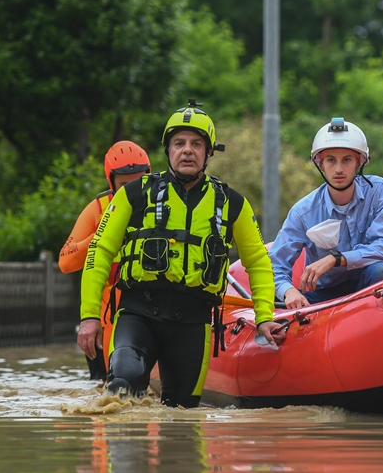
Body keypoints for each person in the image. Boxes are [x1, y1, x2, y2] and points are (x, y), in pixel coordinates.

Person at [77, 100, 285, 406]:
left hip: (193, 322)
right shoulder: (134, 194)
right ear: (168, 150)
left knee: (183, 414)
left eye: (196, 144)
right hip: (138, 314)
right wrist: (89, 317)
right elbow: (100, 251)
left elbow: (257, 262)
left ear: (208, 152)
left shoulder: (233, 204)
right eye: (179, 143)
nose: (187, 150)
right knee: (122, 387)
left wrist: (264, 317)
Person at [270, 117, 383, 309]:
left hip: (369, 284)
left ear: (359, 163)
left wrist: (336, 259)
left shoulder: (379, 190)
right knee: (289, 305)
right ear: (320, 165)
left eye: (347, 160)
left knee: (379, 270)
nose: (339, 169)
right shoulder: (302, 212)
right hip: (325, 295)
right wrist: (289, 292)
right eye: (331, 160)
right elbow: (275, 266)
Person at [59, 141, 151, 381]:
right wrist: (101, 234)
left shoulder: (163, 205)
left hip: (148, 307)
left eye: (139, 183)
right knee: (104, 386)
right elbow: (66, 262)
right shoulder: (98, 208)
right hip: (106, 314)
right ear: (112, 183)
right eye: (124, 186)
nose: (133, 191)